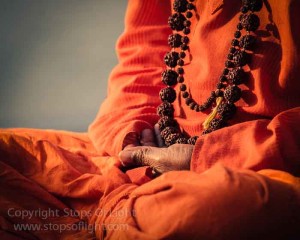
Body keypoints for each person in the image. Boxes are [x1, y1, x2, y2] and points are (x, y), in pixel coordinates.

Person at [1, 0, 300, 239]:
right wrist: (131, 134)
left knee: (232, 206)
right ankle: (120, 219)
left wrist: (205, 157)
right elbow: (144, 51)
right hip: (142, 160)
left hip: (253, 169)